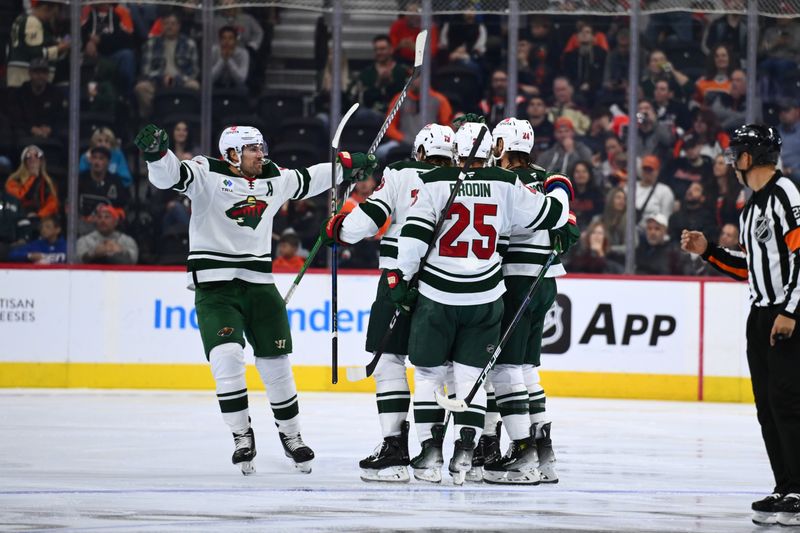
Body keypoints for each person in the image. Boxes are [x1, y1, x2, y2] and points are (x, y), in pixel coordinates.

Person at [134, 122, 376, 475]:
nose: (261, 154)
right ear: (232, 153)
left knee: (277, 365)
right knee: (227, 358)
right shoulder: (205, 172)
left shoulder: (272, 177)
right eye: (252, 149)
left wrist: (345, 167)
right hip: (215, 286)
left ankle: (292, 437)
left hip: (260, 284)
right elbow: (167, 176)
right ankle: (241, 436)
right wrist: (156, 154)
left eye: (261, 147)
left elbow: (307, 179)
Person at [390, 121, 572, 485]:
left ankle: (440, 454)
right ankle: (487, 449)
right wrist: (563, 193)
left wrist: (401, 280)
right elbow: (553, 214)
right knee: (492, 373)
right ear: (491, 149)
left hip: (453, 292)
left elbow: (411, 242)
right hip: (496, 292)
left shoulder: (434, 181)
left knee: (437, 373)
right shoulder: (509, 183)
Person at [321, 123, 455, 483]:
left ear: (421, 151)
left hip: (399, 278)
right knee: (436, 368)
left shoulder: (400, 172)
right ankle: (437, 451)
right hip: (449, 285)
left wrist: (339, 227)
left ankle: (395, 450)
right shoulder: (461, 179)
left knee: (388, 361)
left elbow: (368, 221)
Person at [681, 124, 800, 527]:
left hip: (788, 314)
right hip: (761, 314)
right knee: (767, 407)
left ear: (751, 157)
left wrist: (791, 311)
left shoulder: (786, 195)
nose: (732, 161)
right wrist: (709, 252)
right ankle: (785, 487)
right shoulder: (750, 208)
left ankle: (799, 490)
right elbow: (751, 266)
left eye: (737, 153)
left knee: (788, 403)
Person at [477, 117, 579, 485]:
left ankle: (522, 455)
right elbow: (565, 214)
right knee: (527, 368)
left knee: (505, 367)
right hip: (547, 282)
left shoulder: (501, 180)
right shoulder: (550, 179)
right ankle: (543, 451)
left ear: (502, 146)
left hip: (517, 280)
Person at [134, 12, 200, 118]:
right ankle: (151, 118)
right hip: (157, 82)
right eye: (166, 23)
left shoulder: (189, 44)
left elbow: (194, 71)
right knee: (141, 88)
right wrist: (162, 78)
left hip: (182, 81)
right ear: (161, 25)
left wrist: (177, 79)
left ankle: (185, 118)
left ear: (179, 26)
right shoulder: (151, 44)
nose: (169, 27)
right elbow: (145, 71)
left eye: (173, 24)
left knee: (194, 86)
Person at [7, 1, 70, 87]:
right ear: (45, 8)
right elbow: (36, 53)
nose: (51, 18)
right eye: (52, 14)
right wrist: (59, 48)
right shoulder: (32, 21)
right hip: (25, 75)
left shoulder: (21, 18)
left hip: (16, 72)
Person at [348, 35, 411, 116]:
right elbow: (362, 99)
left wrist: (391, 83)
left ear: (391, 50)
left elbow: (407, 96)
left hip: (398, 113)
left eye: (382, 49)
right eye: (376, 50)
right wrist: (378, 84)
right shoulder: (366, 73)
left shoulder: (403, 71)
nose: (379, 52)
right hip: (371, 115)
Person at [4, 145, 59, 220]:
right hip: (17, 217)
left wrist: (38, 215)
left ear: (41, 161)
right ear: (24, 161)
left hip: (40, 219)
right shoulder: (14, 180)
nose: (33, 159)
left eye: (37, 155)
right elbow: (17, 197)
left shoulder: (48, 182)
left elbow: (52, 204)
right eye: (29, 156)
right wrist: (31, 177)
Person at [634, 155, 674, 232]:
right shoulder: (631, 187)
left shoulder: (665, 191)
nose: (647, 172)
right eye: (645, 169)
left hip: (651, 232)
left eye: (650, 170)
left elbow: (665, 219)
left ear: (657, 171)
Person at [211, 26, 249, 91]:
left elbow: (241, 80)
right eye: (224, 38)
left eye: (230, 38)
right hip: (216, 85)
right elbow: (210, 79)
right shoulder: (213, 51)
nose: (227, 41)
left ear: (235, 40)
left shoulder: (243, 53)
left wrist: (229, 59)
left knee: (244, 90)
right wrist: (222, 59)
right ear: (219, 40)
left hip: (236, 86)